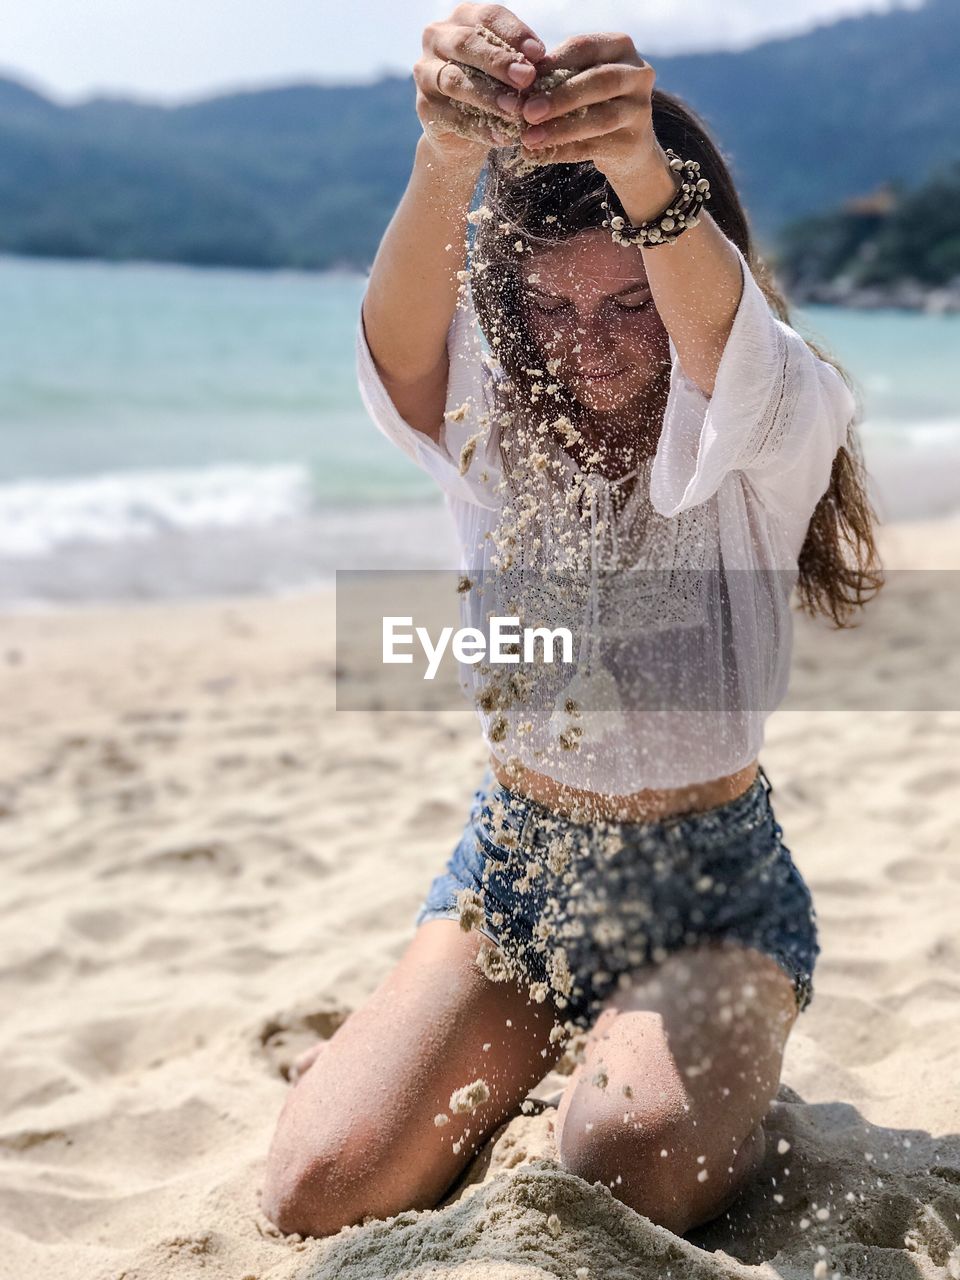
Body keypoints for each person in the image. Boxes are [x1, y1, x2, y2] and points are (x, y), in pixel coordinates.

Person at [262, 4, 883, 1240]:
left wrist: (640, 159)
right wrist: (448, 149)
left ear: (682, 270)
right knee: (313, 1190)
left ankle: (692, 1048)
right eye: (553, 310)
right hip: (517, 869)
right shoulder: (500, 426)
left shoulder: (770, 422)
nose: (590, 348)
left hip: (711, 886)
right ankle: (563, 1025)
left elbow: (728, 354)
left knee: (621, 1166)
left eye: (628, 306)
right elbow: (396, 347)